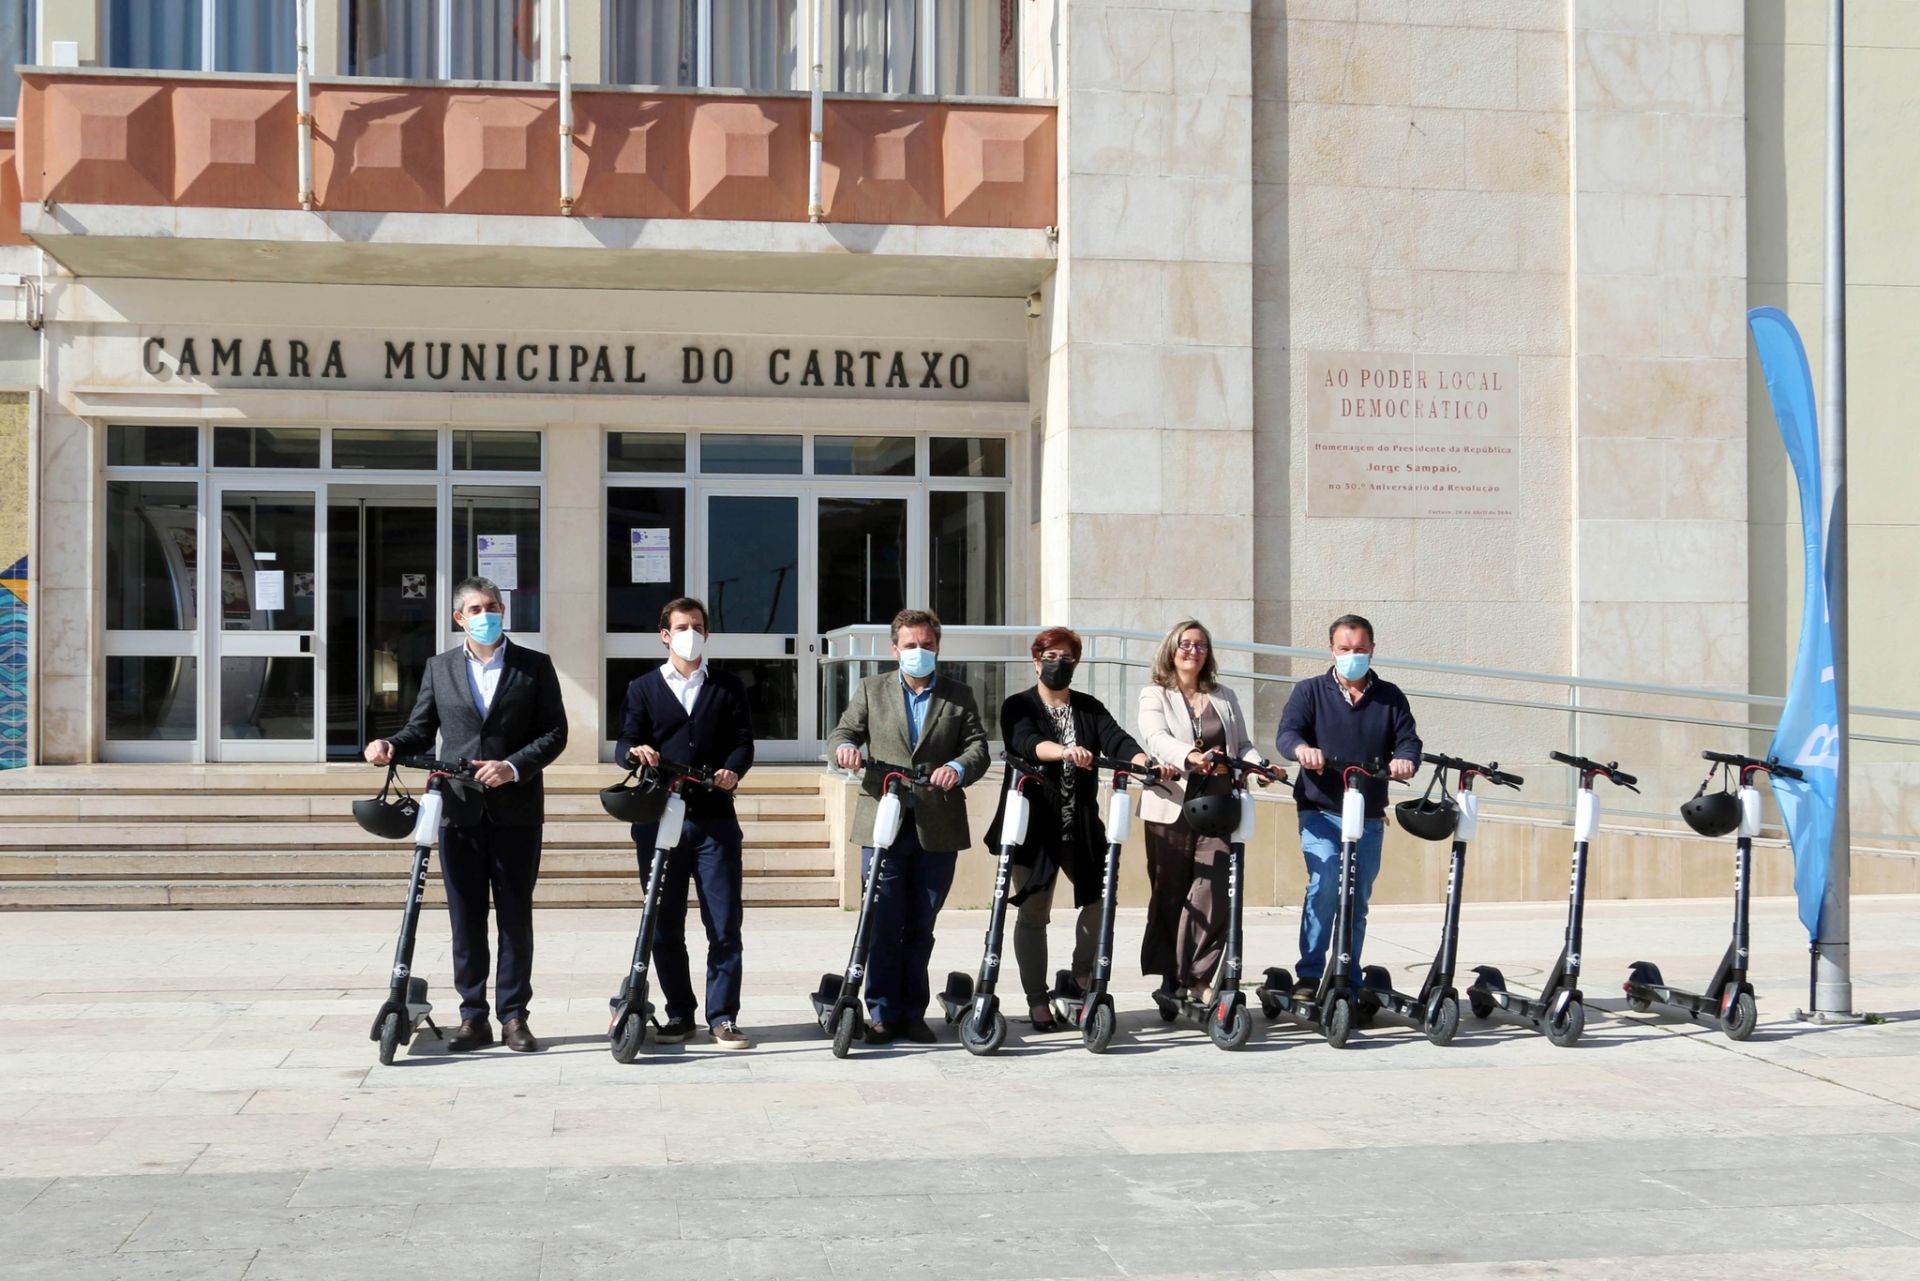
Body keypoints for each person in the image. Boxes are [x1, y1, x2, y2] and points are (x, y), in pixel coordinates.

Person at [365, 576, 568, 1053]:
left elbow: (555, 732)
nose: (485, 614)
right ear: (460, 618)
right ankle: (472, 1015)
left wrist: (514, 766)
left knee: (515, 917)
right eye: (475, 609)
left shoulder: (534, 666)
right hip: (459, 810)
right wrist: (390, 744)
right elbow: (421, 728)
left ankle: (515, 1015)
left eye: (492, 606)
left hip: (516, 810)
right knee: (467, 918)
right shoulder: (440, 669)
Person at [984, 627, 1169, 1030]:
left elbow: (1115, 739)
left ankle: (1081, 974)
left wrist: (1143, 762)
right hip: (1034, 826)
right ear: (1036, 661)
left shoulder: (1088, 706)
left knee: (1101, 901)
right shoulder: (1019, 705)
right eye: (1051, 656)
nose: (1058, 664)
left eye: (1067, 658)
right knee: (1034, 914)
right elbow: (1026, 742)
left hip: (1081, 825)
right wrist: (1065, 751)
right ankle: (1037, 1000)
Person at [826, 607, 990, 1044]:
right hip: (884, 818)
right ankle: (881, 1012)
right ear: (894, 648)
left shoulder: (959, 695)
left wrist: (957, 766)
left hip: (938, 825)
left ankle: (912, 1013)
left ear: (938, 647)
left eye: (927, 645)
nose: (919, 652)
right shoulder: (871, 689)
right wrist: (844, 750)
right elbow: (842, 733)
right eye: (911, 645)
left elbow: (978, 747)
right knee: (881, 921)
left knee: (921, 922)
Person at [614, 596, 756, 1048]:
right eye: (681, 626)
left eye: (696, 626)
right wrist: (636, 752)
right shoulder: (642, 687)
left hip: (715, 821)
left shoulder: (728, 686)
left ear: (706, 633)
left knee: (724, 923)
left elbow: (743, 743)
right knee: (665, 923)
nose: (689, 633)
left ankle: (723, 1016)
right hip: (660, 821)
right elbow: (625, 743)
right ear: (664, 634)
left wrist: (734, 770)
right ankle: (680, 1014)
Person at [1275, 613, 1422, 1000]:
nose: (1352, 656)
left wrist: (1404, 760)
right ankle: (1308, 975)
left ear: (1372, 650)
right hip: (1320, 809)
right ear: (1331, 650)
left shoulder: (1390, 696)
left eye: (1360, 650)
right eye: (1345, 649)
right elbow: (1288, 733)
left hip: (1369, 813)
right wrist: (1302, 750)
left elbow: (1408, 741)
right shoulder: (1309, 691)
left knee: (1356, 897)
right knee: (1325, 885)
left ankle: (1347, 973)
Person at [1136, 618, 1260, 1004]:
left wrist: (1260, 766)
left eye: (1201, 645)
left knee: (1214, 889)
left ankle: (1198, 975)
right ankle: (1169, 976)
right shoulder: (1154, 694)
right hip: (1172, 804)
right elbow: (1155, 738)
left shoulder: (1224, 695)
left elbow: (1242, 745)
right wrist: (1190, 757)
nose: (1193, 651)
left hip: (1219, 805)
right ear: (1171, 650)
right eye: (1186, 644)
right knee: (1170, 891)